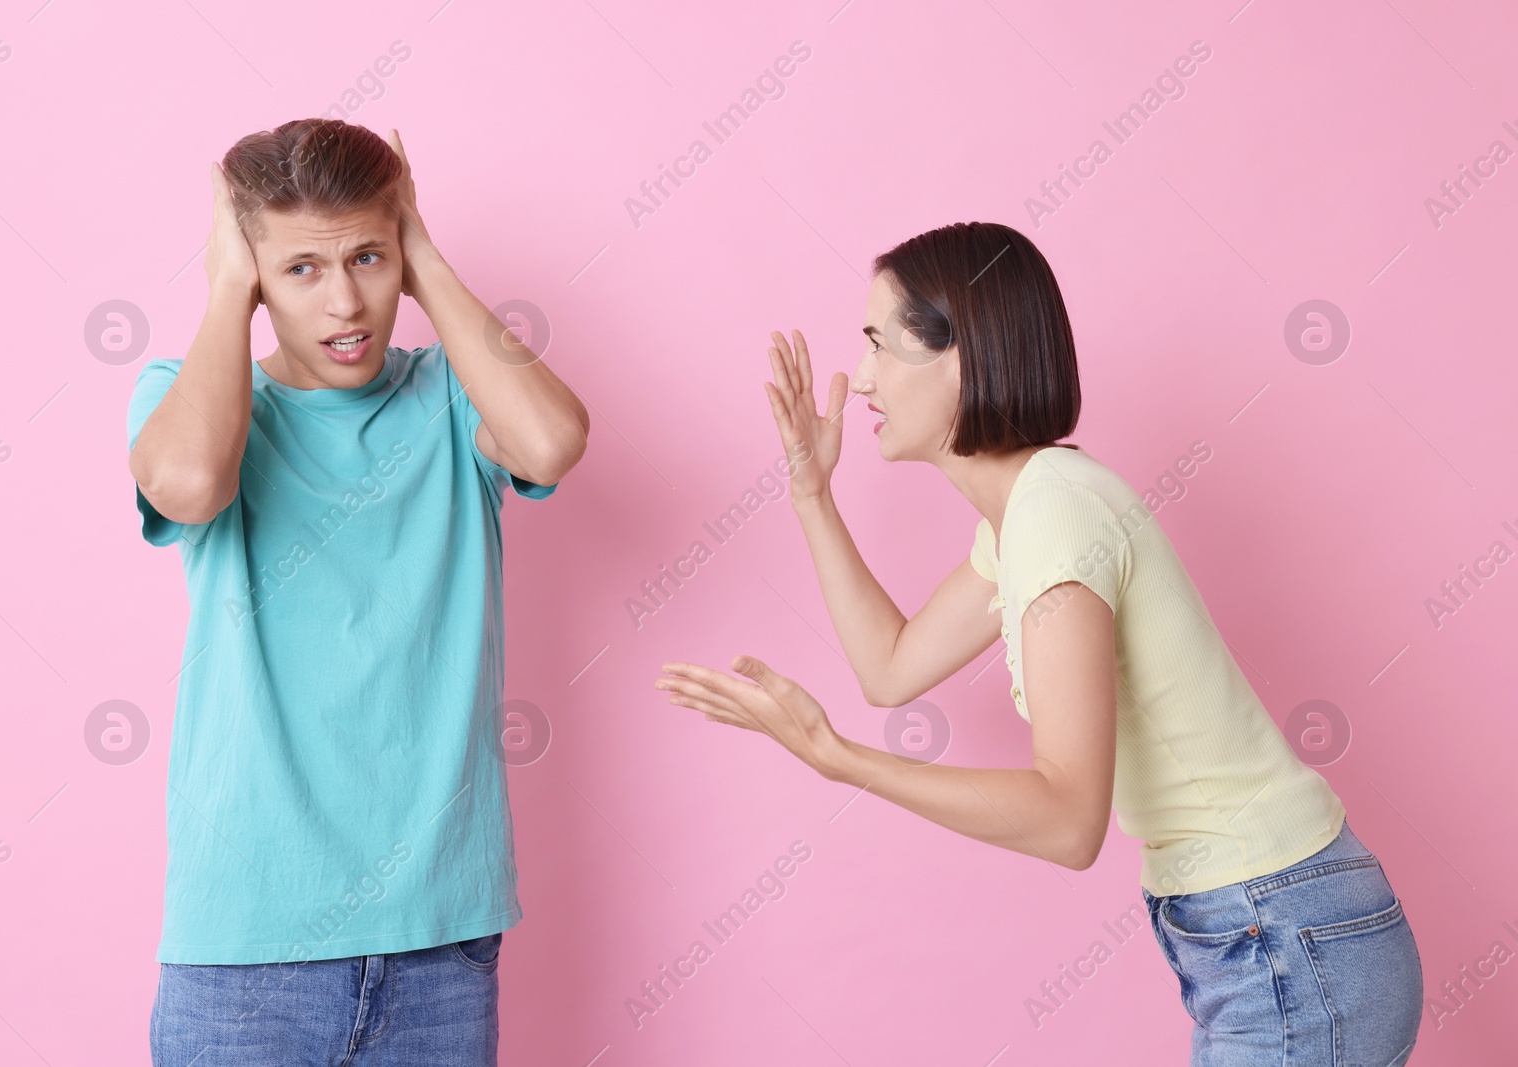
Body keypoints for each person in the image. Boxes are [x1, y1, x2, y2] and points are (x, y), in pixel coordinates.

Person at [655, 222, 1424, 1066]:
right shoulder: (1026, 516)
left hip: (1281, 931)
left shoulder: (1057, 508)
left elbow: (1067, 820)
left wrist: (837, 758)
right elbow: (890, 668)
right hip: (1269, 931)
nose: (863, 377)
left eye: (881, 344)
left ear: (962, 355)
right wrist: (811, 494)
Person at [128, 118, 588, 1067]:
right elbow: (188, 485)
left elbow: (548, 443)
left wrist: (420, 249)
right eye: (300, 269)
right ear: (255, 273)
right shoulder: (192, 398)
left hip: (439, 941)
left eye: (369, 258)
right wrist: (226, 287)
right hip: (247, 949)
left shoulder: (455, 398)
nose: (347, 301)